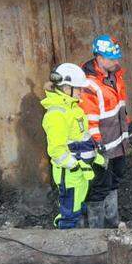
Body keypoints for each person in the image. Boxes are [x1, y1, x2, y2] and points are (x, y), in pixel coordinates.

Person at [79, 34, 132, 228]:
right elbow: (89, 118)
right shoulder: (89, 84)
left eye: (116, 57)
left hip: (117, 143)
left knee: (115, 179)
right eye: (112, 58)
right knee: (99, 186)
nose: (116, 61)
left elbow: (120, 107)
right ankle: (97, 230)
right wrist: (97, 144)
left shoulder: (115, 76)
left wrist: (129, 129)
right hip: (101, 147)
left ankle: (113, 223)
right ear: (99, 58)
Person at [41, 63, 106, 229]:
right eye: (77, 88)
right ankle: (67, 248)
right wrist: (75, 166)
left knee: (78, 206)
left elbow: (81, 138)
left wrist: (95, 155)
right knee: (70, 213)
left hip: (81, 173)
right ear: (65, 88)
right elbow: (57, 151)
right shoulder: (57, 114)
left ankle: (79, 243)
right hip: (70, 174)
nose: (81, 91)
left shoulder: (73, 108)